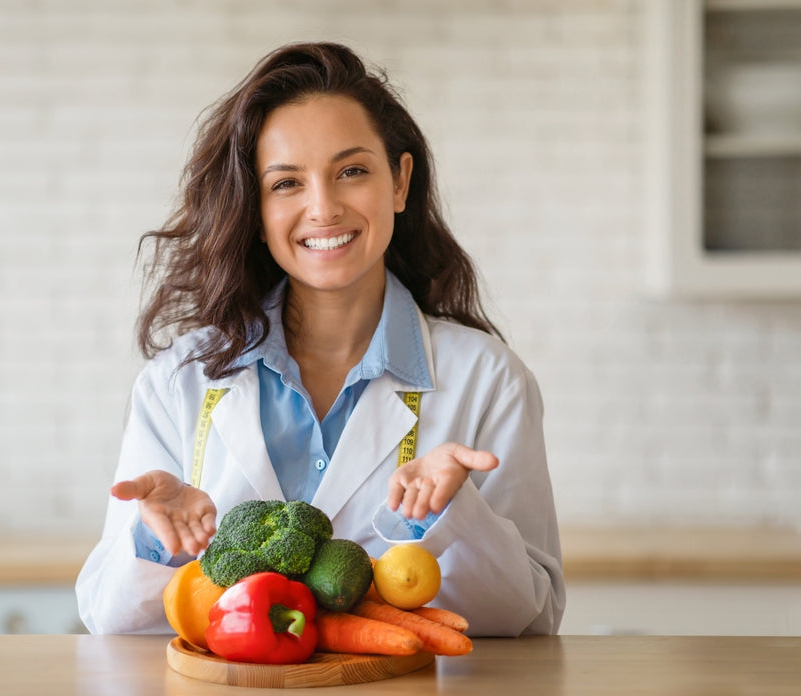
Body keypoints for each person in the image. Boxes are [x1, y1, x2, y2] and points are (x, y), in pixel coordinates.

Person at [76, 41, 565, 637]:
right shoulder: (179, 381)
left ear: (399, 182)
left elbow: (531, 618)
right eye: (286, 183)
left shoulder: (488, 380)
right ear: (254, 208)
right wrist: (162, 540)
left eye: (352, 171)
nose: (323, 207)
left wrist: (449, 513)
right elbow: (107, 616)